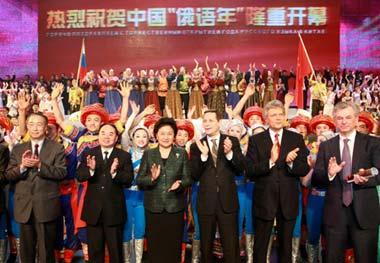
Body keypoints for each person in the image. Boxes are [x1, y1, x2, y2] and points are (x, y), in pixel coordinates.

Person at [312, 101, 380, 262]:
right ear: (335, 121)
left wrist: (364, 179)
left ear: (356, 119)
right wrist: (329, 173)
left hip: (365, 213)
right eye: (340, 118)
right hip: (335, 214)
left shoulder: (373, 143)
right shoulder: (326, 146)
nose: (344, 121)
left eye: (348, 117)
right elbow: (316, 179)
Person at [246, 100, 309, 263]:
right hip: (264, 200)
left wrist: (290, 162)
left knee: (286, 246)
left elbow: (303, 169)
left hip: (288, 200)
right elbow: (250, 172)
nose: (278, 118)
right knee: (260, 245)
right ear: (266, 118)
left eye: (281, 114)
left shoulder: (296, 138)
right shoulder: (256, 140)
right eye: (274, 115)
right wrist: (271, 161)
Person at [6, 112, 67, 263]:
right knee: (26, 250)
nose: (35, 128)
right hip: (24, 206)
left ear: (46, 128)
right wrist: (22, 167)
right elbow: (8, 175)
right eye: (31, 124)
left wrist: (40, 165)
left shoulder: (57, 148)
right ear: (26, 126)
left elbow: (61, 173)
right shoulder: (18, 149)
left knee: (46, 250)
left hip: (46, 205)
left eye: (39, 124)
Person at [190, 110, 246, 263]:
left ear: (219, 122)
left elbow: (241, 168)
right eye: (205, 121)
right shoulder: (197, 146)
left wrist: (229, 154)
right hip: (206, 202)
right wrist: (203, 156)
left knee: (230, 243)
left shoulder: (231, 141)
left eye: (210, 120)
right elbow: (193, 175)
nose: (207, 124)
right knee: (206, 245)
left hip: (227, 200)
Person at [137, 117, 192, 263]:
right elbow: (140, 181)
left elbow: (188, 178)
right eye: (162, 133)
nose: (166, 137)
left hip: (175, 207)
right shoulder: (149, 154)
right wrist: (152, 179)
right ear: (156, 135)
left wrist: (180, 184)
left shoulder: (181, 154)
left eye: (169, 133)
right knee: (155, 246)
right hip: (153, 207)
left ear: (174, 135)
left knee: (173, 245)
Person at [78, 123, 133, 263]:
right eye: (103, 133)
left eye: (111, 134)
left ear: (116, 138)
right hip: (93, 210)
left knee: (115, 251)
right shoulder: (89, 153)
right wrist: (91, 170)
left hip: (114, 210)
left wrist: (115, 173)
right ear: (98, 135)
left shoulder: (124, 156)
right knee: (95, 252)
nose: (106, 136)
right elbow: (79, 176)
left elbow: (128, 180)